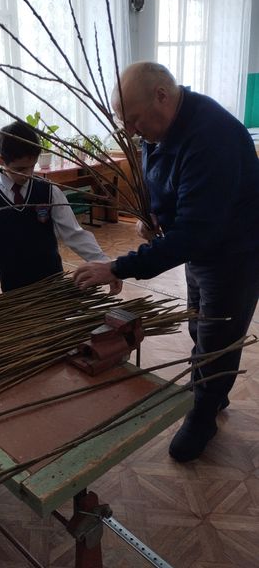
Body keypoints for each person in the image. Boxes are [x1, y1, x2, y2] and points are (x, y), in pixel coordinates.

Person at [74, 62, 259, 462]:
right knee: (198, 324)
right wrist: (155, 216)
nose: (131, 131)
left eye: (134, 120)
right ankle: (214, 391)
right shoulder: (160, 129)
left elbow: (194, 233)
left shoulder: (212, 138)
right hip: (202, 249)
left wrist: (115, 267)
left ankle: (204, 414)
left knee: (218, 336)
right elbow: (165, 183)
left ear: (161, 96)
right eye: (125, 123)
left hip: (235, 254)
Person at [0, 120, 119, 295]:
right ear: (0, 160)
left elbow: (74, 233)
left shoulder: (49, 191)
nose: (28, 174)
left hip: (53, 285)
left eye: (32, 167)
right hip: (14, 292)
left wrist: (106, 265)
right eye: (20, 169)